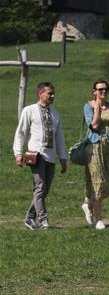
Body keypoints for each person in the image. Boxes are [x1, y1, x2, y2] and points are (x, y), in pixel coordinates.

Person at [13, 82, 68, 229]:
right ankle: (43, 220)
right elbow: (20, 133)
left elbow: (59, 137)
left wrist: (63, 158)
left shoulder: (56, 113)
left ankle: (30, 217)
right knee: (40, 186)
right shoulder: (29, 110)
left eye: (53, 93)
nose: (52, 96)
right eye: (49, 93)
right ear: (40, 94)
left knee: (44, 189)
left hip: (51, 157)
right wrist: (18, 154)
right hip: (36, 155)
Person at [81, 79, 109, 230]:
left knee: (108, 180)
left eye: (105, 89)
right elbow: (94, 126)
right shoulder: (88, 106)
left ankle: (88, 203)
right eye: (100, 90)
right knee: (97, 181)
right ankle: (99, 220)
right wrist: (97, 108)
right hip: (94, 147)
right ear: (94, 92)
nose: (103, 92)